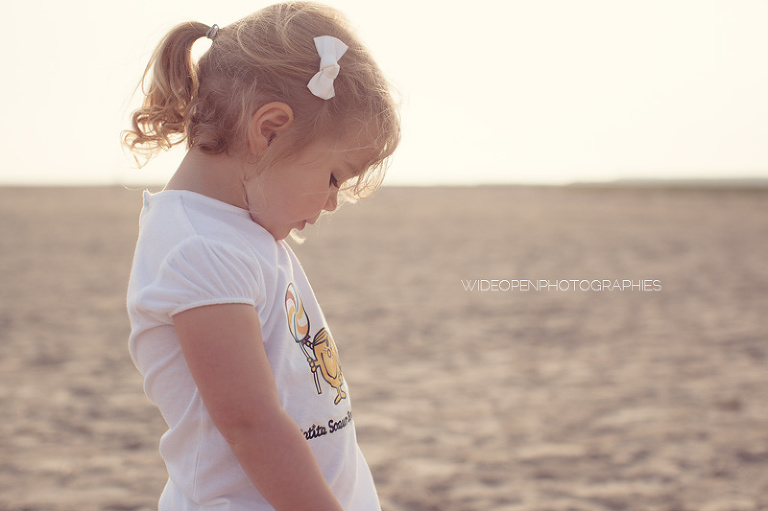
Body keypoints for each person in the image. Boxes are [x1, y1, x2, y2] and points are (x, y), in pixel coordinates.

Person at [123, 3, 400, 509]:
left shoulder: (238, 232)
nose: (332, 201)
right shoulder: (199, 248)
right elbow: (251, 425)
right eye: (334, 178)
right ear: (268, 129)